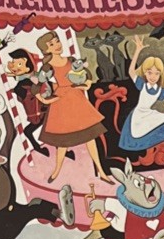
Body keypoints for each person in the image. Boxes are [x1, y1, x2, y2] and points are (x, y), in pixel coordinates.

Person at [36, 31, 109, 182]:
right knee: (63, 142)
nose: (57, 45)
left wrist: (87, 84)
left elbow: (87, 75)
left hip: (77, 100)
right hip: (61, 103)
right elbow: (36, 86)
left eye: (57, 41)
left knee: (90, 137)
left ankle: (101, 171)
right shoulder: (47, 67)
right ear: (46, 49)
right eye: (51, 44)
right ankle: (57, 171)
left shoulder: (71, 60)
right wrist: (44, 100)